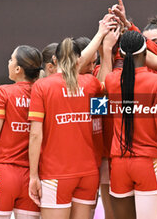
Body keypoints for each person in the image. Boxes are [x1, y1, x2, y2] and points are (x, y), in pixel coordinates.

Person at [27, 14, 118, 219]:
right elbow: (106, 87)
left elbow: (35, 136)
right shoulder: (89, 83)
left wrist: (33, 175)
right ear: (79, 60)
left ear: (53, 60)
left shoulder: (42, 86)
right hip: (88, 173)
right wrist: (105, 47)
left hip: (55, 174)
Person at [105, 30, 157, 219]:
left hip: (119, 165)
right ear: (145, 54)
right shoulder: (156, 83)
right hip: (149, 165)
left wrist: (105, 49)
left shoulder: (111, 81)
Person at [0, 45, 43, 219]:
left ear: (18, 69)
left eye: (11, 59)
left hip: (2, 175)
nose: (8, 62)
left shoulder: (3, 92)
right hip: (32, 177)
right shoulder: (43, 92)